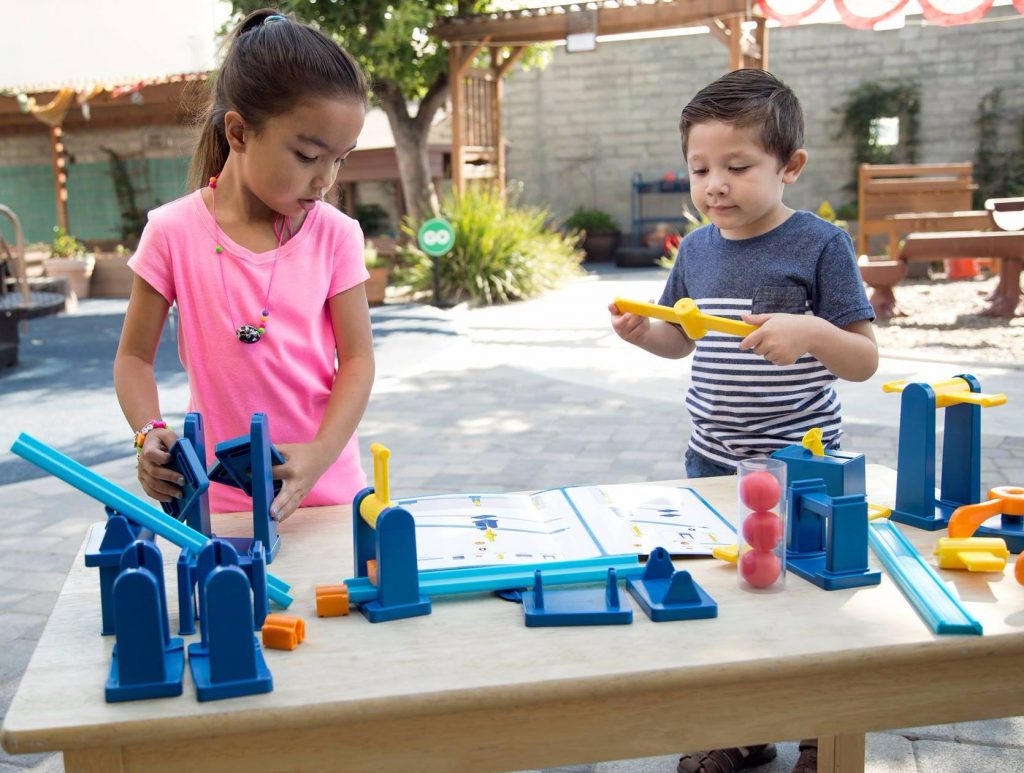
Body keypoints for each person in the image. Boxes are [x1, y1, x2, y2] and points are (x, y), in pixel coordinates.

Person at [609, 69, 879, 773]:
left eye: (737, 167)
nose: (715, 186)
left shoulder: (820, 245)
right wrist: (647, 335)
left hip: (802, 470)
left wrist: (811, 331)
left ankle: (825, 729)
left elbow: (863, 359)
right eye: (701, 169)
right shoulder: (697, 248)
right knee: (731, 593)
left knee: (809, 598)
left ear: (789, 167)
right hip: (713, 463)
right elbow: (683, 338)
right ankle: (741, 724)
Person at [114, 9, 374, 523]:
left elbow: (359, 361)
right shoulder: (172, 233)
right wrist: (148, 432)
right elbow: (133, 360)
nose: (326, 180)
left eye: (340, 159)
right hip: (217, 504)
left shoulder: (336, 235)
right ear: (238, 133)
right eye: (306, 155)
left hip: (326, 493)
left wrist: (320, 454)